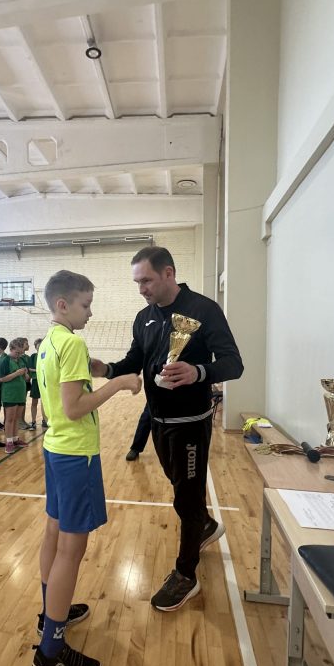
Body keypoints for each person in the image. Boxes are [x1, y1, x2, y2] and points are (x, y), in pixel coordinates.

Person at [91, 246, 243, 612]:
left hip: (191, 423)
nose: (141, 288)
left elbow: (233, 364)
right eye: (137, 282)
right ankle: (204, 526)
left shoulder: (204, 309)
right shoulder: (143, 317)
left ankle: (186, 574)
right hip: (158, 421)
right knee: (180, 488)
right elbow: (135, 360)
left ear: (168, 273)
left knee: (186, 498)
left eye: (146, 280)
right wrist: (106, 369)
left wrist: (198, 372)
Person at [33, 270, 141, 666]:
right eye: (86, 304)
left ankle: (50, 615)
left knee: (53, 532)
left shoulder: (49, 342)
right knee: (70, 550)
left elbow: (63, 397)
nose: (90, 313)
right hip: (76, 455)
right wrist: (118, 383)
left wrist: (97, 371)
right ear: (63, 304)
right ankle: (51, 650)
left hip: (56, 448)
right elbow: (75, 407)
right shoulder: (73, 342)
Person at [0, 340, 30, 455]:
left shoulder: (21, 360)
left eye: (20, 353)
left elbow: (26, 378)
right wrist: (16, 373)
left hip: (20, 393)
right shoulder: (5, 361)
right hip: (9, 394)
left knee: (17, 418)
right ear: (10, 349)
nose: (19, 355)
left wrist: (26, 374)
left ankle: (15, 439)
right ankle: (9, 442)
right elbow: (1, 379)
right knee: (10, 419)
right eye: (17, 352)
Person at [28, 337, 47, 430]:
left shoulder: (46, 355)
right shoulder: (33, 356)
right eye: (38, 346)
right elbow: (30, 368)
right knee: (34, 402)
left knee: (45, 402)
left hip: (45, 381)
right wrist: (39, 370)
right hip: (36, 380)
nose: (39, 348)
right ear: (35, 347)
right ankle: (33, 421)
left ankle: (45, 420)